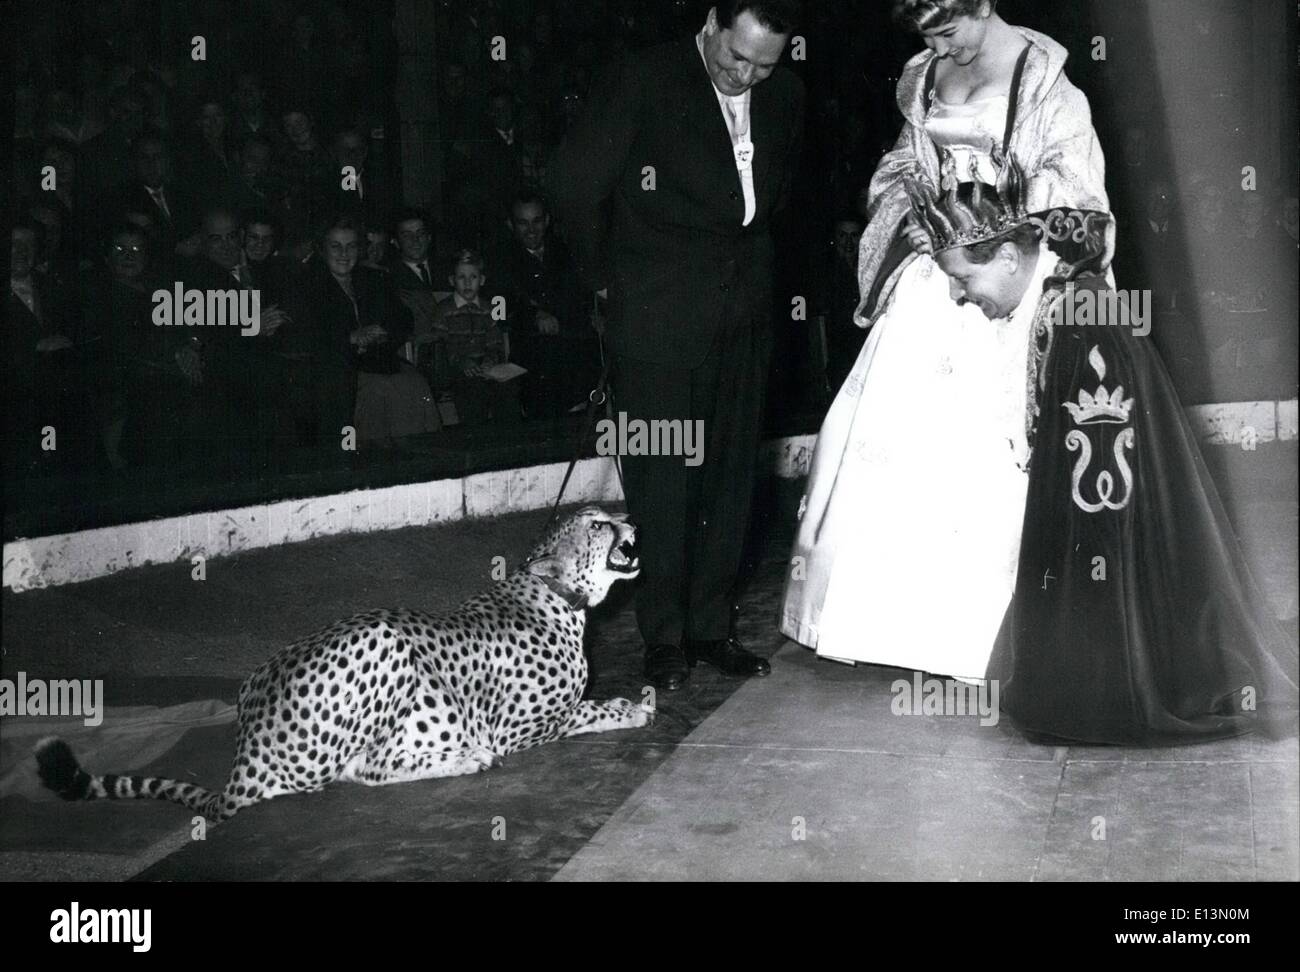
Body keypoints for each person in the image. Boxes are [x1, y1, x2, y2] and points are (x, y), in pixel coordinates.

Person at [908, 159, 1297, 743]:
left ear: (1009, 259)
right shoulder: (1059, 298)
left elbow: (1100, 491)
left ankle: (1121, 679)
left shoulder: (1082, 320)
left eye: (963, 279)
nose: (960, 295)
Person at [780, 0, 1108, 681]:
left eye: (949, 29)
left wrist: (1000, 217)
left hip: (1005, 277)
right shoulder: (924, 77)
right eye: (926, 35)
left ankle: (975, 640)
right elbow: (900, 169)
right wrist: (925, 213)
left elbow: (1080, 195)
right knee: (893, 441)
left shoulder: (1048, 85)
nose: (941, 47)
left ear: (984, 3)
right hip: (937, 278)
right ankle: (886, 628)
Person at [546, 1, 806, 691]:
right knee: (664, 484)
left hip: (745, 317)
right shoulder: (644, 79)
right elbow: (571, 187)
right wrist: (609, 281)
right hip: (654, 322)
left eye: (763, 64)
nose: (745, 75)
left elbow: (768, 206)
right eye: (734, 57)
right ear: (713, 24)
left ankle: (710, 630)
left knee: (728, 481)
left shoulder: (787, 94)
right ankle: (663, 639)